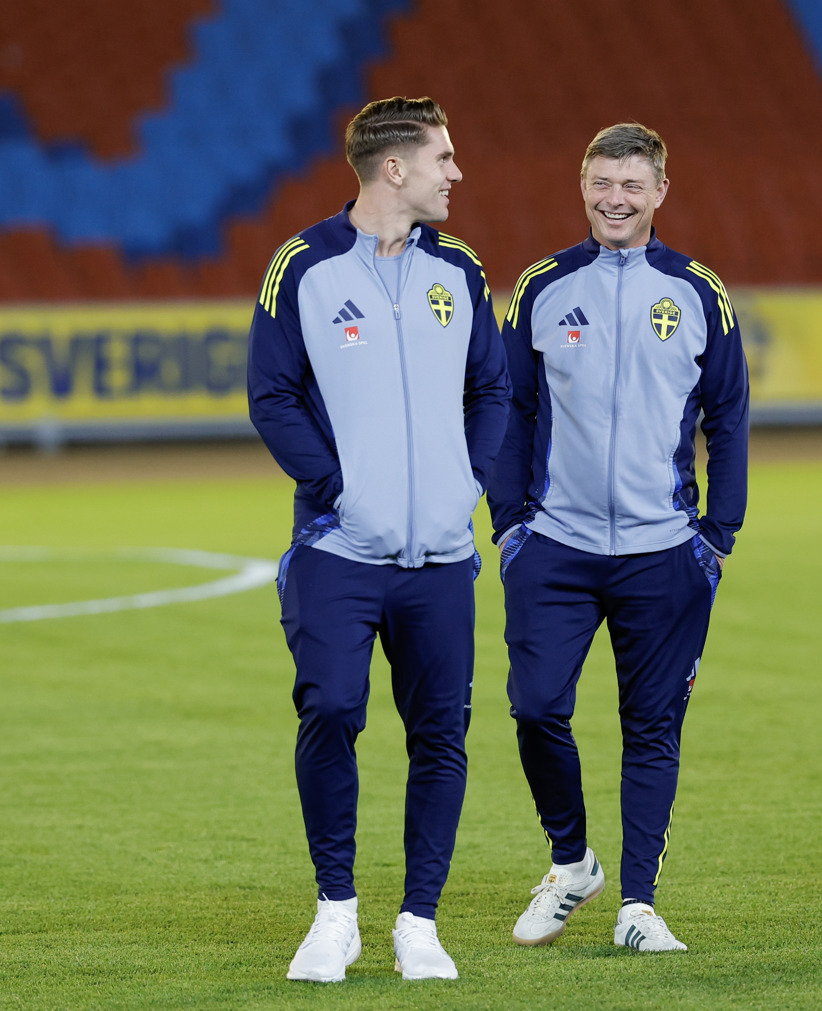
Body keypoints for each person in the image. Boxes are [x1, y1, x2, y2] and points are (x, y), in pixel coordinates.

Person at [247, 96, 509, 981]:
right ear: (394, 168)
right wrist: (337, 490)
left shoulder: (460, 270)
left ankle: (419, 922)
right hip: (338, 549)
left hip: (440, 557)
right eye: (443, 157)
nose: (456, 172)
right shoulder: (303, 266)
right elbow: (271, 395)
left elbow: (492, 389)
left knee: (440, 734)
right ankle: (336, 913)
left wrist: (465, 482)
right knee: (329, 707)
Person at [488, 122, 749, 953]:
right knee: (535, 707)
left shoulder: (698, 291)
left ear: (660, 191)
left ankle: (639, 904)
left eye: (632, 184)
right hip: (554, 547)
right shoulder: (543, 286)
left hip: (665, 552)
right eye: (602, 182)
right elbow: (509, 408)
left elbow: (729, 418)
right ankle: (572, 863)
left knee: (652, 728)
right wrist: (510, 525)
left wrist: (717, 537)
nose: (615, 199)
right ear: (582, 185)